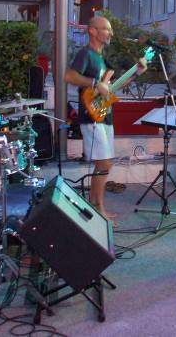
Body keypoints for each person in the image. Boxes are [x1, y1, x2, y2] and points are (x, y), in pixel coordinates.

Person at [65, 16, 147, 221]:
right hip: (91, 116)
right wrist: (95, 83)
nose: (110, 33)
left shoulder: (103, 59)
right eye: (106, 29)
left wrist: (136, 73)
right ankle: (98, 209)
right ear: (92, 31)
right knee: (105, 163)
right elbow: (69, 76)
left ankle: (95, 206)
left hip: (104, 114)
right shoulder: (85, 54)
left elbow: (112, 87)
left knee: (103, 164)